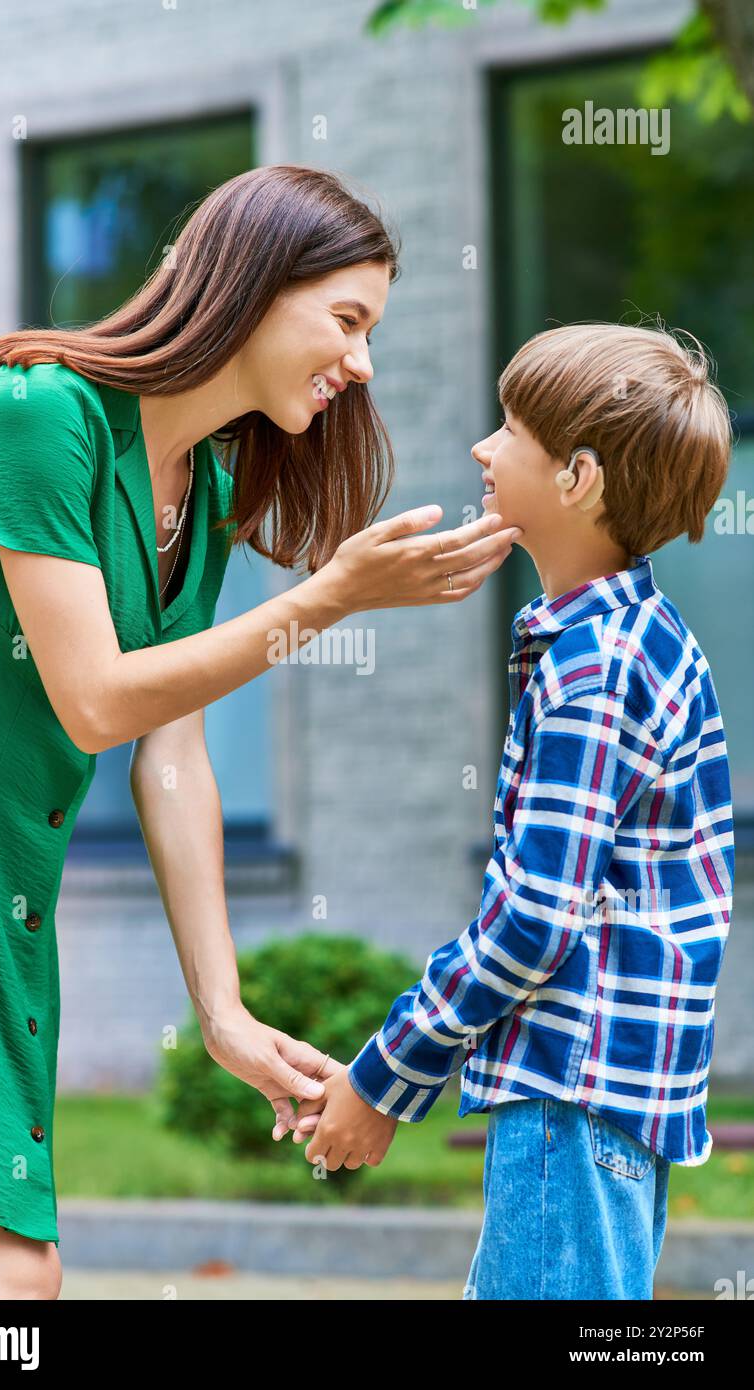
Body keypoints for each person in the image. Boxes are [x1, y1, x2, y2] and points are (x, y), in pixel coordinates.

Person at [0, 163, 521, 1300]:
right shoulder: (40, 414)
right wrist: (326, 600)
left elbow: (168, 754)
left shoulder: (202, 488)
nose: (359, 362)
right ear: (251, 284)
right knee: (7, 1288)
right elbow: (95, 699)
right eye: (346, 320)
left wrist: (220, 1010)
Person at [290, 321, 735, 1301]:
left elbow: (532, 920)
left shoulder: (593, 669)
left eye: (508, 430)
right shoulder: (647, 641)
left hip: (567, 1100)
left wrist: (380, 1078)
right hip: (609, 1105)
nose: (481, 449)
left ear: (576, 478)